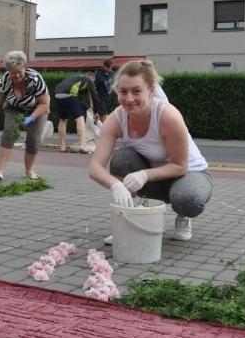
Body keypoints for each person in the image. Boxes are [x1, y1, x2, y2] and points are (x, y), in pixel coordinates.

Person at [88, 60, 213, 244]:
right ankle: (128, 223)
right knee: (122, 159)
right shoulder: (116, 117)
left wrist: (144, 174)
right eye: (123, 91)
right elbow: (95, 168)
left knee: (188, 199)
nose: (129, 98)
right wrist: (116, 185)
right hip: (153, 179)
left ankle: (183, 216)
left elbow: (180, 166)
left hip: (188, 173)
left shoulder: (168, 115)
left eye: (136, 91)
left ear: (151, 90)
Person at [0, 50, 50, 181]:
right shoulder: (4, 81)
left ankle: (29, 171)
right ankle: (0, 171)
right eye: (13, 73)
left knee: (33, 139)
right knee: (9, 133)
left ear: (24, 67)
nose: (17, 76)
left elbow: (44, 103)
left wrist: (32, 117)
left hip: (38, 107)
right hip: (14, 105)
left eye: (19, 72)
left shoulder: (35, 79)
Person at [55, 72, 100, 154]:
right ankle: (84, 146)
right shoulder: (88, 80)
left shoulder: (75, 78)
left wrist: (86, 109)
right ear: (91, 79)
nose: (93, 83)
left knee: (63, 120)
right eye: (93, 81)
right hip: (70, 95)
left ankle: (63, 146)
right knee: (80, 119)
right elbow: (95, 98)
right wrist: (95, 112)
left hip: (58, 94)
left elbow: (77, 101)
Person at [95, 58, 114, 123]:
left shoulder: (111, 73)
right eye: (108, 68)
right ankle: (106, 131)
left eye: (111, 68)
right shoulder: (98, 75)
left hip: (106, 98)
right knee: (105, 117)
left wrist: (118, 95)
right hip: (100, 98)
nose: (110, 69)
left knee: (102, 117)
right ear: (104, 66)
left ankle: (101, 131)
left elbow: (112, 86)